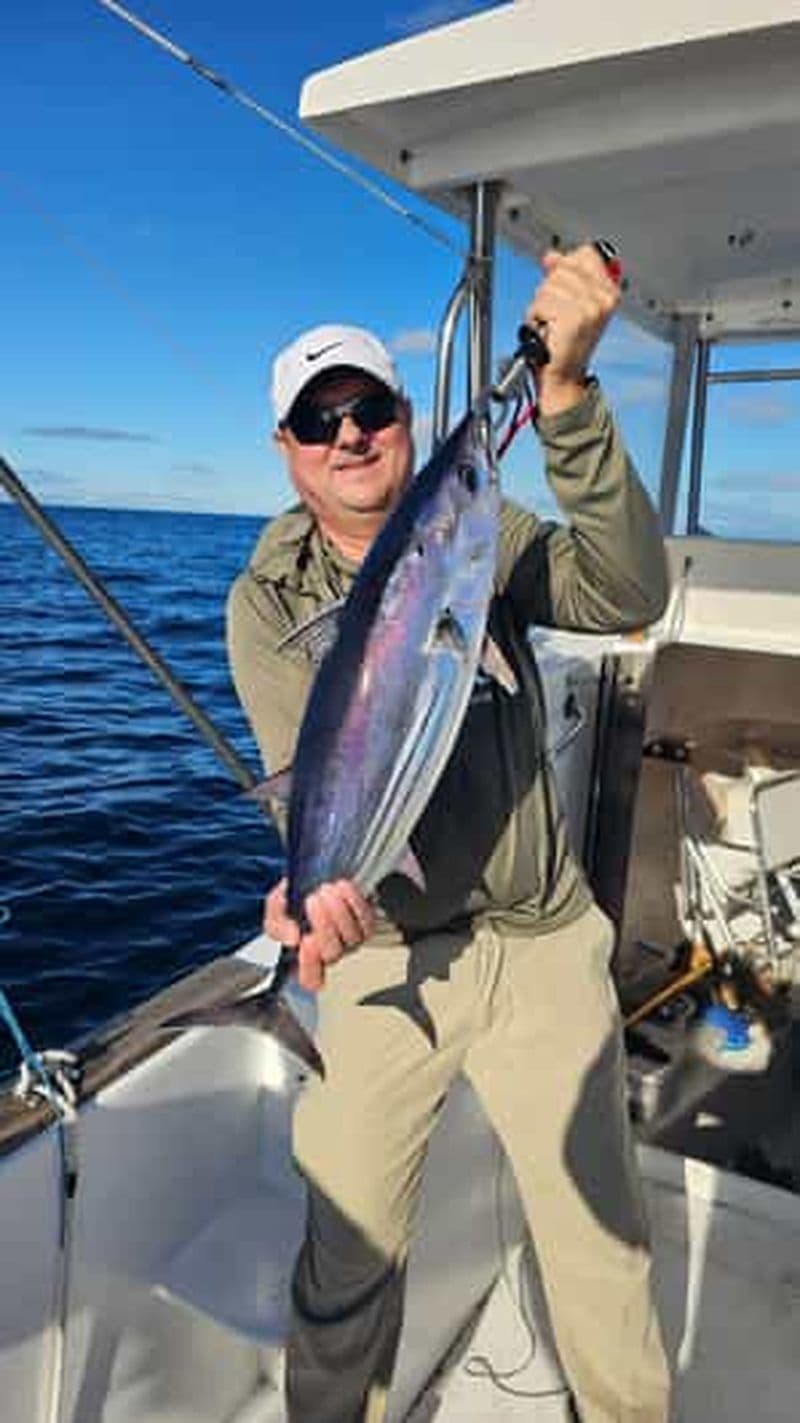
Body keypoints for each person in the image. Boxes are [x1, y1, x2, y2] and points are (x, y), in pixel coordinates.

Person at [227, 244, 672, 1423]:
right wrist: (310, 903)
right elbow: (315, 782)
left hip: (538, 941)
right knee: (346, 1259)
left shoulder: (489, 531)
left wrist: (565, 396)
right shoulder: (266, 599)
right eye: (316, 420)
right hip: (375, 955)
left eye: (369, 406)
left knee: (598, 1244)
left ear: (403, 419)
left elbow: (629, 593)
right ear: (285, 448)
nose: (348, 434)